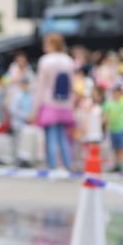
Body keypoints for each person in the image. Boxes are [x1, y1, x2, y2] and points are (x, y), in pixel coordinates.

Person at [33, 32, 75, 171]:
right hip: (65, 104)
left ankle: (53, 166)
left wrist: (35, 107)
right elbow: (72, 86)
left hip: (49, 102)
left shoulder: (45, 61)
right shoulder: (69, 61)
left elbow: (40, 86)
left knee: (51, 136)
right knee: (62, 135)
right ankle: (67, 164)